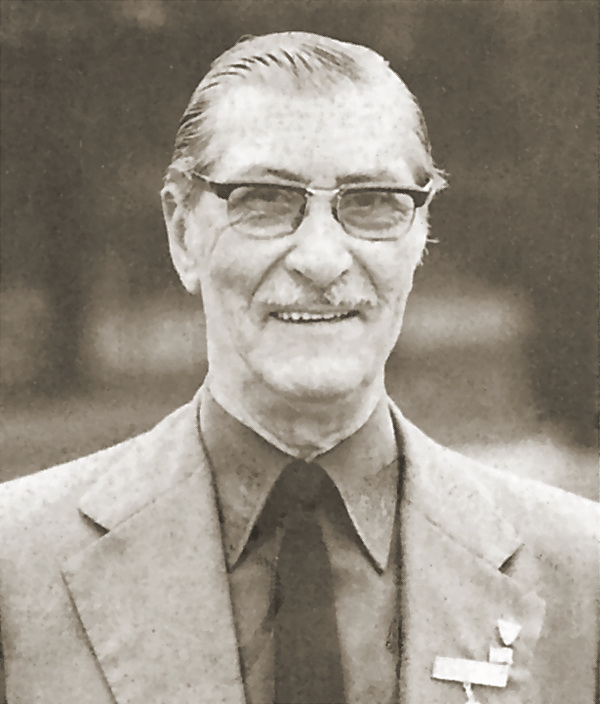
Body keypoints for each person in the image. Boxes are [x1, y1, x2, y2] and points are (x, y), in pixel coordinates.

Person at [0, 31, 597, 704]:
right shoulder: (15, 569)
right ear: (182, 232)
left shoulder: (581, 574)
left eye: (371, 202)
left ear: (419, 234)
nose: (321, 259)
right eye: (264, 199)